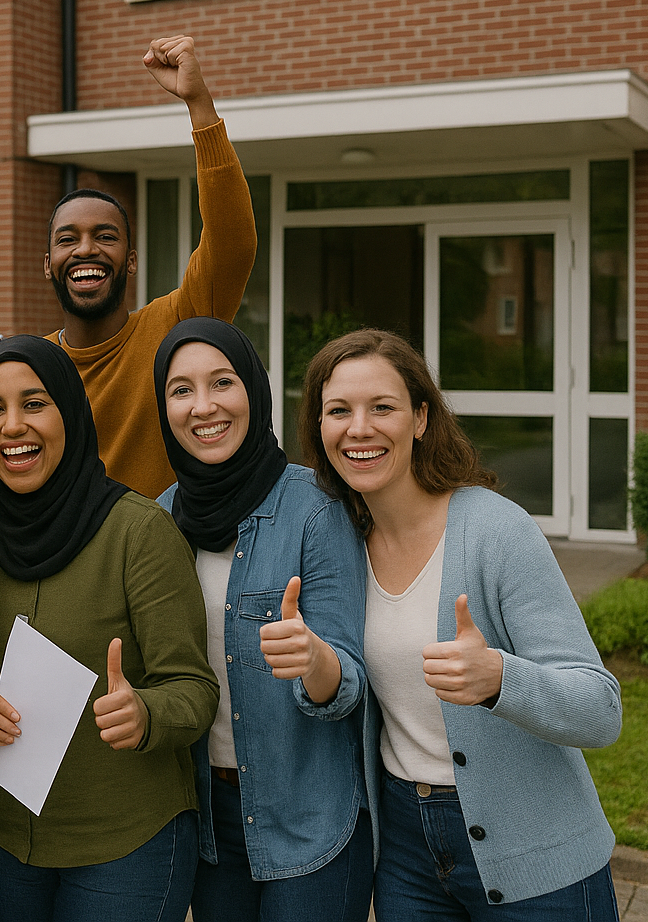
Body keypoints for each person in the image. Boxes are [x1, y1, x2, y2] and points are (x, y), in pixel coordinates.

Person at [299, 329, 623, 921]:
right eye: (338, 410)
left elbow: (601, 710)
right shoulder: (339, 544)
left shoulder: (498, 532)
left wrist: (499, 678)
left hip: (535, 852)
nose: (359, 428)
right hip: (404, 855)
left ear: (421, 418)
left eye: (383, 407)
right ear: (320, 428)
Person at [0, 335, 219, 921]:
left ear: (72, 416)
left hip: (126, 844)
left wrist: (146, 712)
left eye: (34, 403)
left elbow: (196, 689)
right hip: (7, 842)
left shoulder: (139, 532)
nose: (12, 426)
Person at [152, 318, 371, 922]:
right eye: (180, 390)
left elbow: (349, 681)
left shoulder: (316, 509)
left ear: (254, 389)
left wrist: (316, 661)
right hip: (209, 824)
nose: (204, 407)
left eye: (222, 382)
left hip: (309, 818)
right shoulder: (161, 520)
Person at [47, 36, 257, 500]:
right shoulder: (33, 369)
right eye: (68, 239)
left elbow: (232, 243)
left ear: (132, 260)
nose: (86, 250)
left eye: (106, 237)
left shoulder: (175, 328)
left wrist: (199, 105)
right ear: (48, 265)